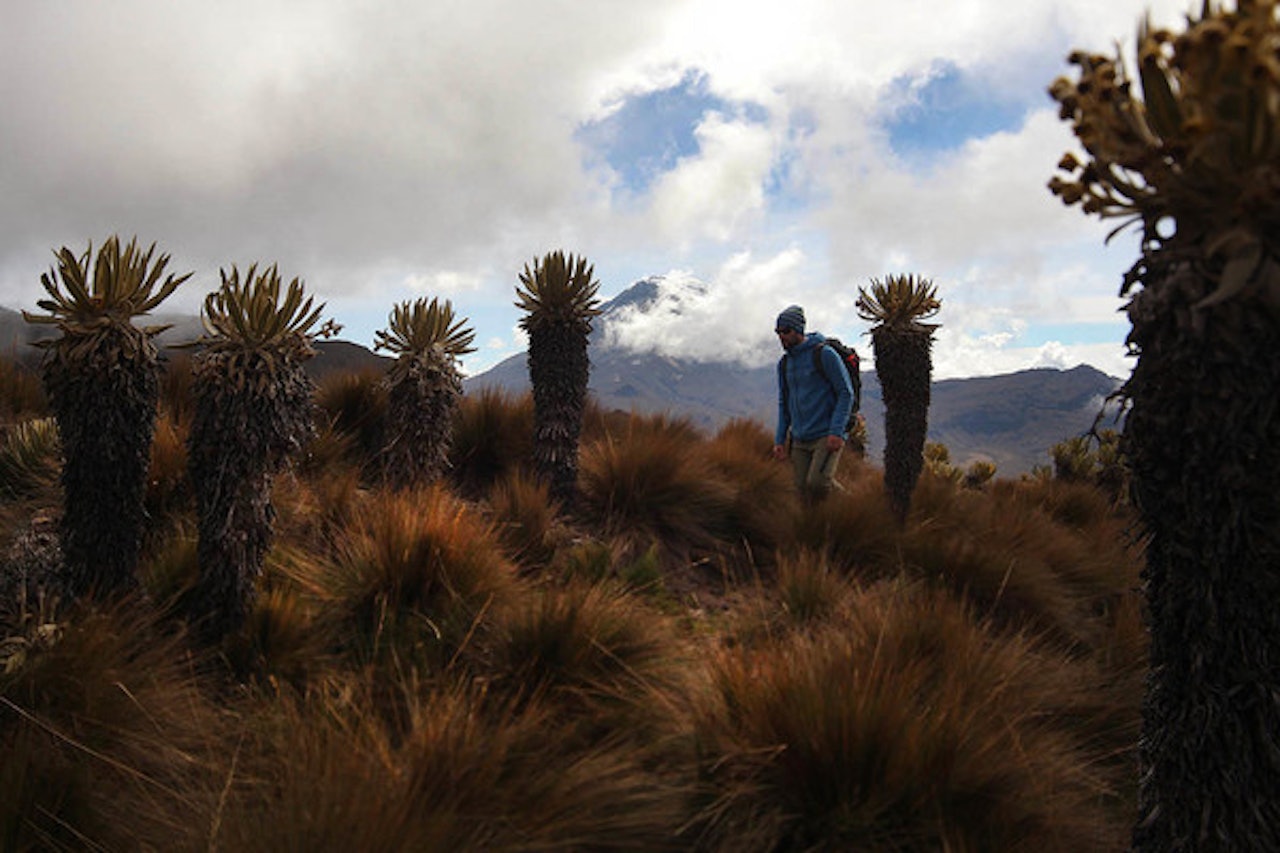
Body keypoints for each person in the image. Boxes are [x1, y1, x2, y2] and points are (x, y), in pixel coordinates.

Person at [772, 304, 855, 502]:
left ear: (798, 330)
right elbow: (785, 403)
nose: (781, 336)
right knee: (802, 491)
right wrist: (779, 439)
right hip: (800, 437)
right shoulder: (784, 364)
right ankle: (816, 526)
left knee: (817, 484)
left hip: (825, 434)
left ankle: (855, 506)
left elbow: (846, 393)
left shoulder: (824, 354)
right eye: (778, 332)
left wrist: (836, 431)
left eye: (786, 331)